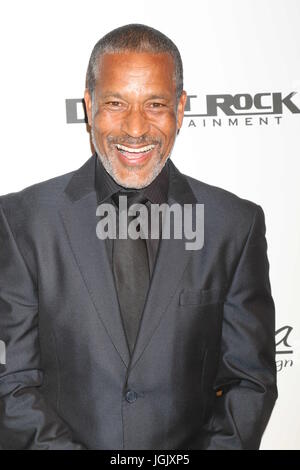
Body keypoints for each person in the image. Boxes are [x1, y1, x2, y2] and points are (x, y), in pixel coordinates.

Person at [0, 23, 277, 450]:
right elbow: (11, 381)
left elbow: (250, 381)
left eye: (155, 104)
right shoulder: (21, 222)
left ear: (180, 109)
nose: (134, 128)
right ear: (89, 105)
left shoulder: (234, 226)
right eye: (115, 103)